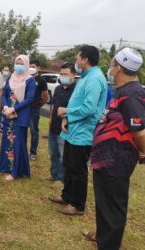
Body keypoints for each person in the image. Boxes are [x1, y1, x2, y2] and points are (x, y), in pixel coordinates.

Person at [83, 48, 145, 249]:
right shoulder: (124, 90)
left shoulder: (131, 94)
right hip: (106, 157)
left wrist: (144, 151)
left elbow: (140, 131)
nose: (109, 67)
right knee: (104, 201)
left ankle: (108, 245)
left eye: (111, 64)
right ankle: (103, 237)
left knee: (113, 205)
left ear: (118, 68)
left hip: (116, 160)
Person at [49, 45, 108, 216]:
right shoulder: (86, 76)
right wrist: (67, 119)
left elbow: (89, 108)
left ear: (85, 59)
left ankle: (78, 204)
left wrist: (66, 112)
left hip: (83, 133)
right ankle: (67, 196)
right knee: (68, 164)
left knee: (78, 168)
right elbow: (78, 103)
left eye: (77, 58)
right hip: (73, 130)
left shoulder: (95, 78)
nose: (76, 61)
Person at [0, 55, 36, 180]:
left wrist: (14, 108)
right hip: (8, 114)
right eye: (17, 63)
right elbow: (4, 94)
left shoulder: (30, 80)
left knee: (18, 142)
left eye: (21, 63)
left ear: (26, 65)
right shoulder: (11, 76)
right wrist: (5, 107)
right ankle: (5, 167)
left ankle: (15, 172)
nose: (18, 66)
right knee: (7, 141)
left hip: (20, 115)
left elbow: (30, 99)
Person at [46, 63, 76, 185]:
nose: (63, 76)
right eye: (61, 74)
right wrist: (50, 118)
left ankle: (62, 179)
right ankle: (54, 175)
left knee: (63, 156)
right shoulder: (58, 88)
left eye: (66, 74)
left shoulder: (77, 90)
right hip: (54, 126)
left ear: (73, 75)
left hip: (65, 129)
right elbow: (53, 105)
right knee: (53, 153)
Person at [28, 59, 48, 161]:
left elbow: (45, 96)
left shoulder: (41, 80)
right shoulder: (25, 78)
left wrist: (38, 105)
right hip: (24, 108)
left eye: (33, 66)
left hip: (34, 109)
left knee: (34, 131)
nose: (31, 68)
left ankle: (33, 152)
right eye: (29, 66)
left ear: (38, 68)